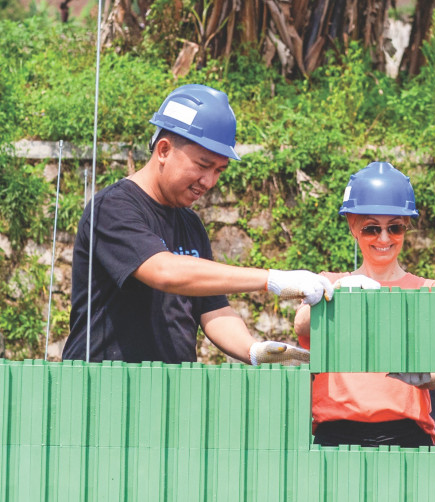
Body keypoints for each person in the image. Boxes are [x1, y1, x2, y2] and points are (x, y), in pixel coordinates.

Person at [64, 84, 333, 365]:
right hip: (105, 389)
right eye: (203, 165)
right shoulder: (113, 208)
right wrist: (272, 279)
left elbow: (213, 309)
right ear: (164, 150)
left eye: (219, 170)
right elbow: (165, 271)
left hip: (173, 389)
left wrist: (252, 350)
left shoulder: (190, 223)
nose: (209, 182)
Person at [294, 161, 435, 447]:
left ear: (406, 227)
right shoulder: (328, 282)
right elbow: (301, 325)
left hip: (406, 432)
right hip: (337, 431)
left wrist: (424, 375)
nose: (384, 238)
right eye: (372, 229)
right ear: (353, 226)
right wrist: (336, 294)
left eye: (395, 228)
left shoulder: (428, 290)